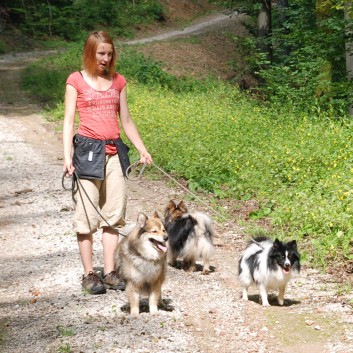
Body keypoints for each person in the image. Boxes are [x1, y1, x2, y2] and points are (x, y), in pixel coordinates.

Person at [63, 31, 152, 295]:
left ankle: (110, 271)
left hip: (114, 154)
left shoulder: (118, 81)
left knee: (113, 215)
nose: (106, 58)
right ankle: (89, 274)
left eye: (109, 53)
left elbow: (126, 121)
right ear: (90, 52)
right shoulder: (75, 80)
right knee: (86, 218)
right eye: (101, 53)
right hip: (87, 153)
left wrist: (142, 149)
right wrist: (67, 157)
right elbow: (68, 121)